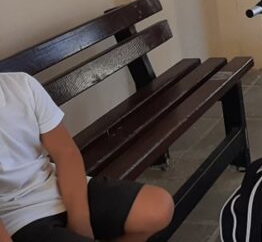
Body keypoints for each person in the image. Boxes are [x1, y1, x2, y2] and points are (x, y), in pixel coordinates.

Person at [0, 72, 174, 242]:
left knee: (158, 206)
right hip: (14, 216)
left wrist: (80, 222)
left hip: (52, 186)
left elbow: (66, 153)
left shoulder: (21, 85)